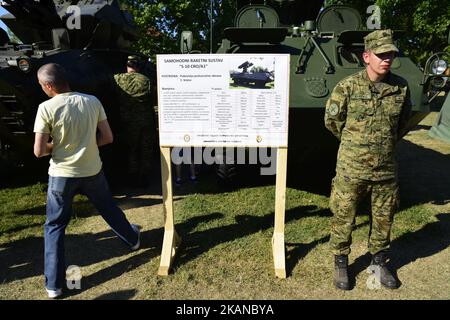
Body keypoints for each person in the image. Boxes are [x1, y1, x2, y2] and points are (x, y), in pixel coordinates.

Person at [33, 63, 140, 299]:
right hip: (92, 170)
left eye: (41, 85)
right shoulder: (92, 101)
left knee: (55, 225)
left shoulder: (45, 108)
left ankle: (54, 285)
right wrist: (87, 145)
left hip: (61, 175)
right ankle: (132, 240)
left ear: (49, 85)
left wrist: (59, 147)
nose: (42, 89)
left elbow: (39, 151)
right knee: (108, 208)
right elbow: (108, 137)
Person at [324, 29, 412, 290]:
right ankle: (341, 261)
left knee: (384, 218)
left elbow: (402, 124)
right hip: (352, 167)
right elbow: (332, 121)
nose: (387, 59)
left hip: (385, 169)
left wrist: (381, 146)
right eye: (381, 54)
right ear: (366, 56)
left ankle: (379, 261)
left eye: (390, 54)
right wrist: (355, 144)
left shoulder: (401, 88)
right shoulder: (348, 87)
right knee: (343, 215)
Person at [113, 55, 156, 188]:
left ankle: (132, 176)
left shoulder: (118, 79)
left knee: (132, 149)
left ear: (127, 65)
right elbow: (153, 99)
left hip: (129, 121)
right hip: (146, 120)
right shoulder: (146, 80)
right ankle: (144, 177)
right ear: (138, 66)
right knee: (146, 149)